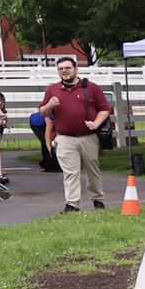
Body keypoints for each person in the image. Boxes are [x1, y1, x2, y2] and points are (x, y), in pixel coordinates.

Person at [37, 54, 111, 210]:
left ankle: (97, 198)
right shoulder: (52, 89)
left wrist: (96, 123)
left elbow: (105, 109)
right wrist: (50, 104)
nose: (64, 71)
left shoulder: (91, 87)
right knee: (70, 172)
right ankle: (72, 203)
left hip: (88, 136)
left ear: (76, 69)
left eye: (68, 68)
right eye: (61, 69)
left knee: (93, 170)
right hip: (64, 137)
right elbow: (42, 112)